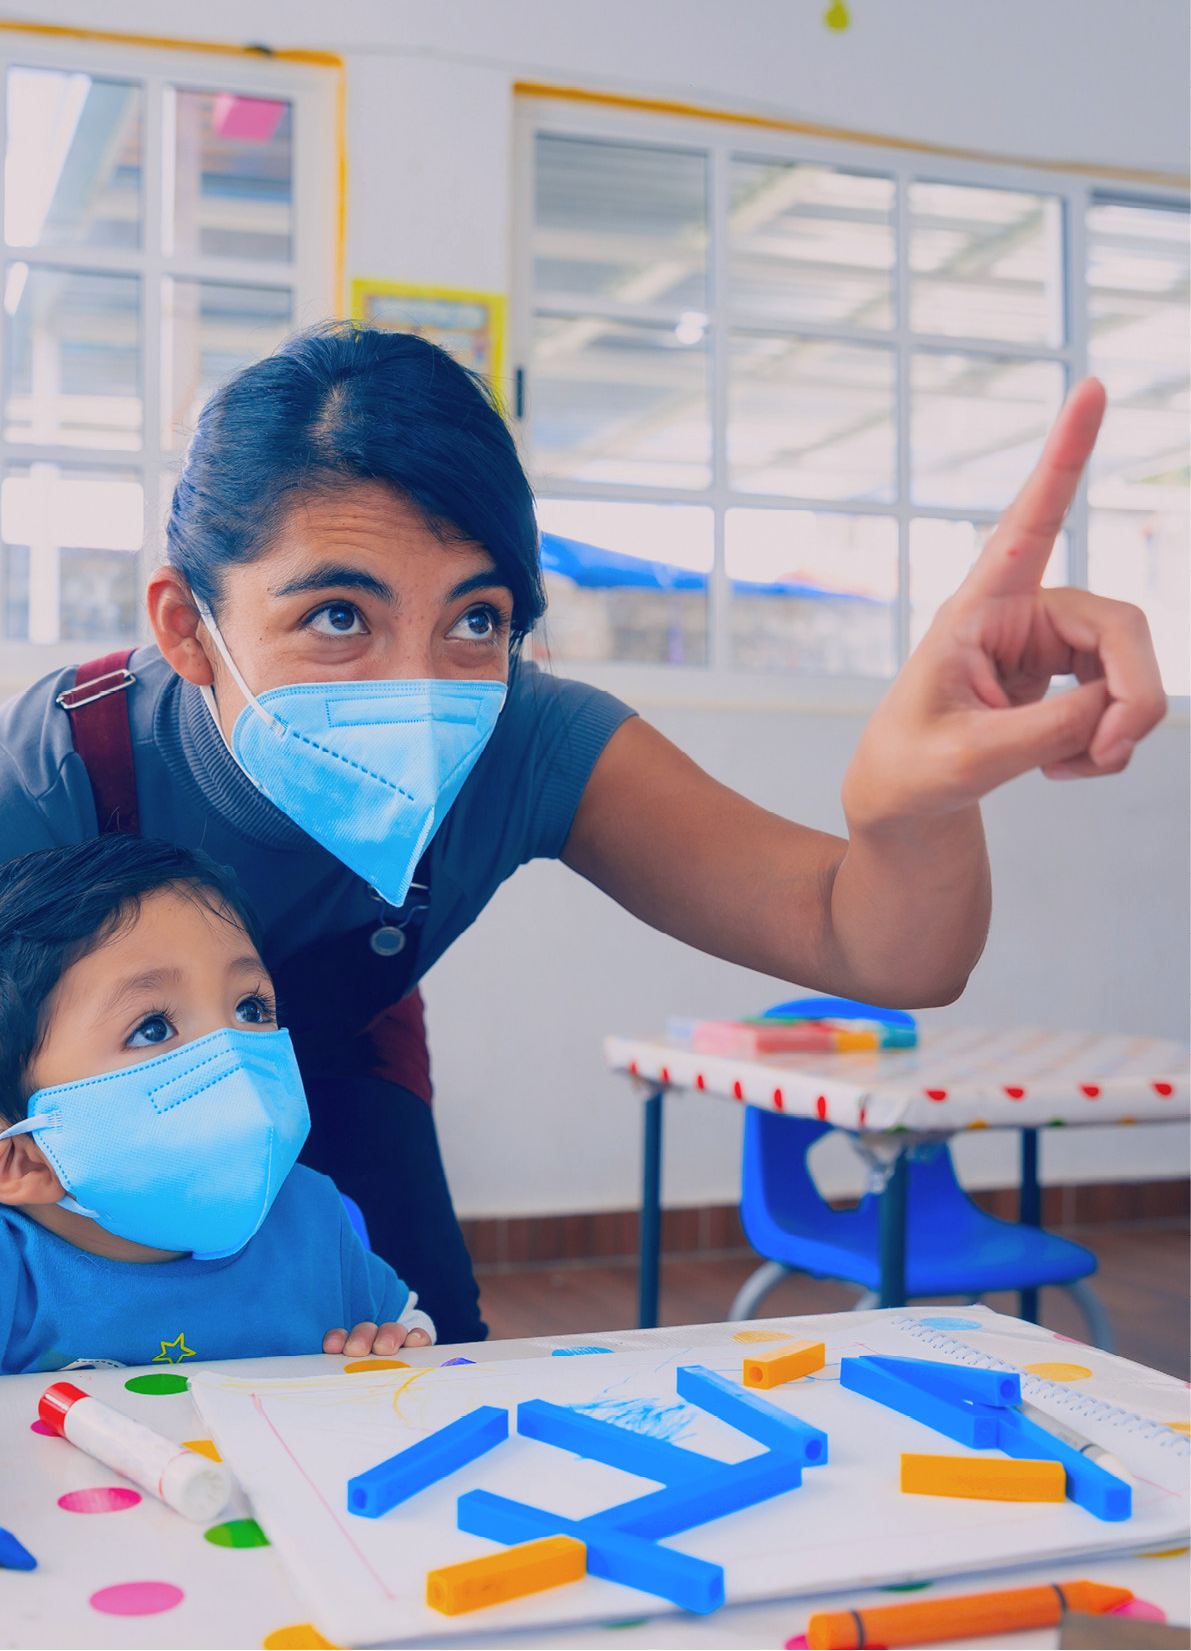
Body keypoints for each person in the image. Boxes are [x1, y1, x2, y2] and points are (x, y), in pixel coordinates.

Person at [0, 324, 1166, 1345]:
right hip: (76, 1144)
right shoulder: (59, 771)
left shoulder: (526, 738)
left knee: (428, 1355)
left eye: (477, 616)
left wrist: (916, 809)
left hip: (344, 1059)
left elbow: (882, 949)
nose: (419, 682)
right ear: (188, 629)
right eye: (339, 615)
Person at [0, 836, 434, 1375]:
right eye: (152, 1027)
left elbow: (413, 1335)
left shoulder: (311, 1220)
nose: (232, 1053)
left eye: (251, 1008)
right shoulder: (14, 1275)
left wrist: (392, 1342)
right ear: (20, 1158)